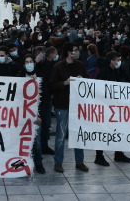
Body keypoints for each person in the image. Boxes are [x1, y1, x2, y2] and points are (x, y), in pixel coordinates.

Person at [51, 43, 88, 173]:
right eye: (75, 50)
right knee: (61, 135)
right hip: (62, 105)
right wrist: (65, 83)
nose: (77, 52)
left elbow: (88, 82)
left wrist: (83, 80)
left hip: (77, 105)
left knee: (78, 134)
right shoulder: (58, 66)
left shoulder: (81, 65)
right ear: (68, 52)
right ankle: (58, 163)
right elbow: (52, 85)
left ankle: (80, 161)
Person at [93, 52, 130, 167]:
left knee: (118, 129)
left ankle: (118, 153)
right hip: (105, 106)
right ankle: (99, 156)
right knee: (102, 131)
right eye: (117, 60)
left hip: (116, 106)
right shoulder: (103, 73)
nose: (119, 62)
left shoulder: (118, 71)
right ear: (112, 61)